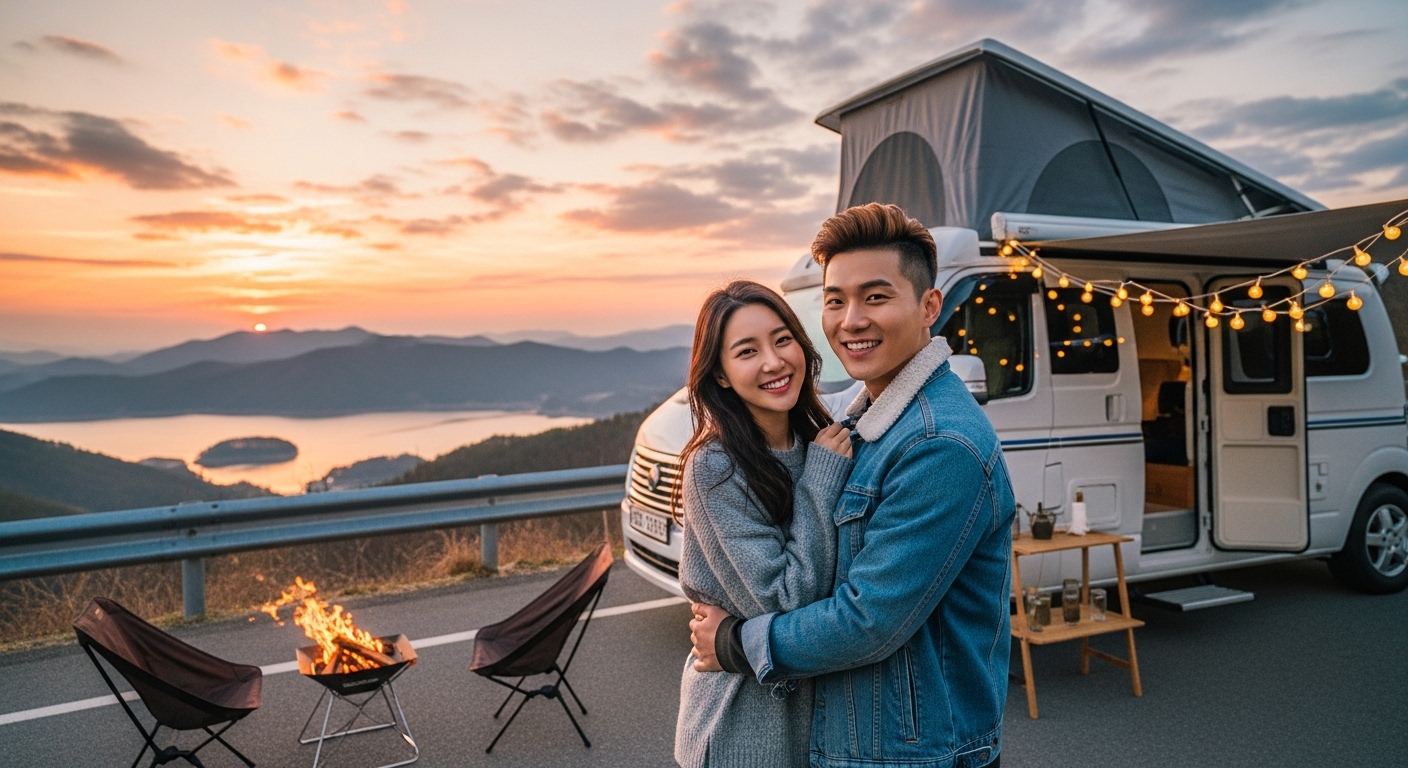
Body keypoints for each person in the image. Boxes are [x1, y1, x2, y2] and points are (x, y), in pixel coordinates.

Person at [689, 204, 1015, 768]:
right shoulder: (859, 423)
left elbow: (866, 620)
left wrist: (734, 642)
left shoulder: (939, 444)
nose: (850, 320)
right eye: (835, 301)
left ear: (929, 307)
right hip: (848, 738)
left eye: (876, 297)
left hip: (910, 751)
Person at [672, 280, 855, 768]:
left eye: (782, 339)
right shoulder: (716, 467)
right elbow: (784, 601)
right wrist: (819, 483)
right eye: (747, 351)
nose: (774, 362)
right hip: (743, 731)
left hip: (813, 723)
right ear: (723, 375)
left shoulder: (818, 441)